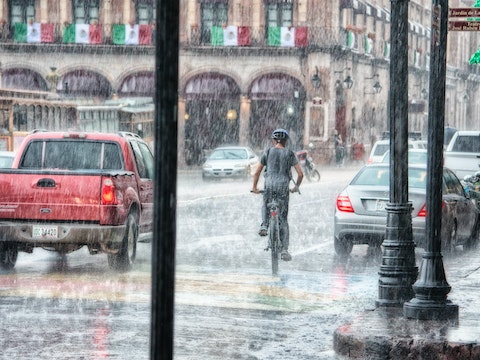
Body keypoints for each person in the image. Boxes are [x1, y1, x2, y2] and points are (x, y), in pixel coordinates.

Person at [251, 128, 303, 261]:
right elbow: (300, 174)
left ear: (274, 141)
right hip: (283, 188)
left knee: (265, 204)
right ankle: (284, 249)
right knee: (283, 219)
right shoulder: (290, 154)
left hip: (269, 185)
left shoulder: (268, 152)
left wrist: (254, 187)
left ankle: (264, 225)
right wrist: (295, 187)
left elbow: (257, 172)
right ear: (286, 141)